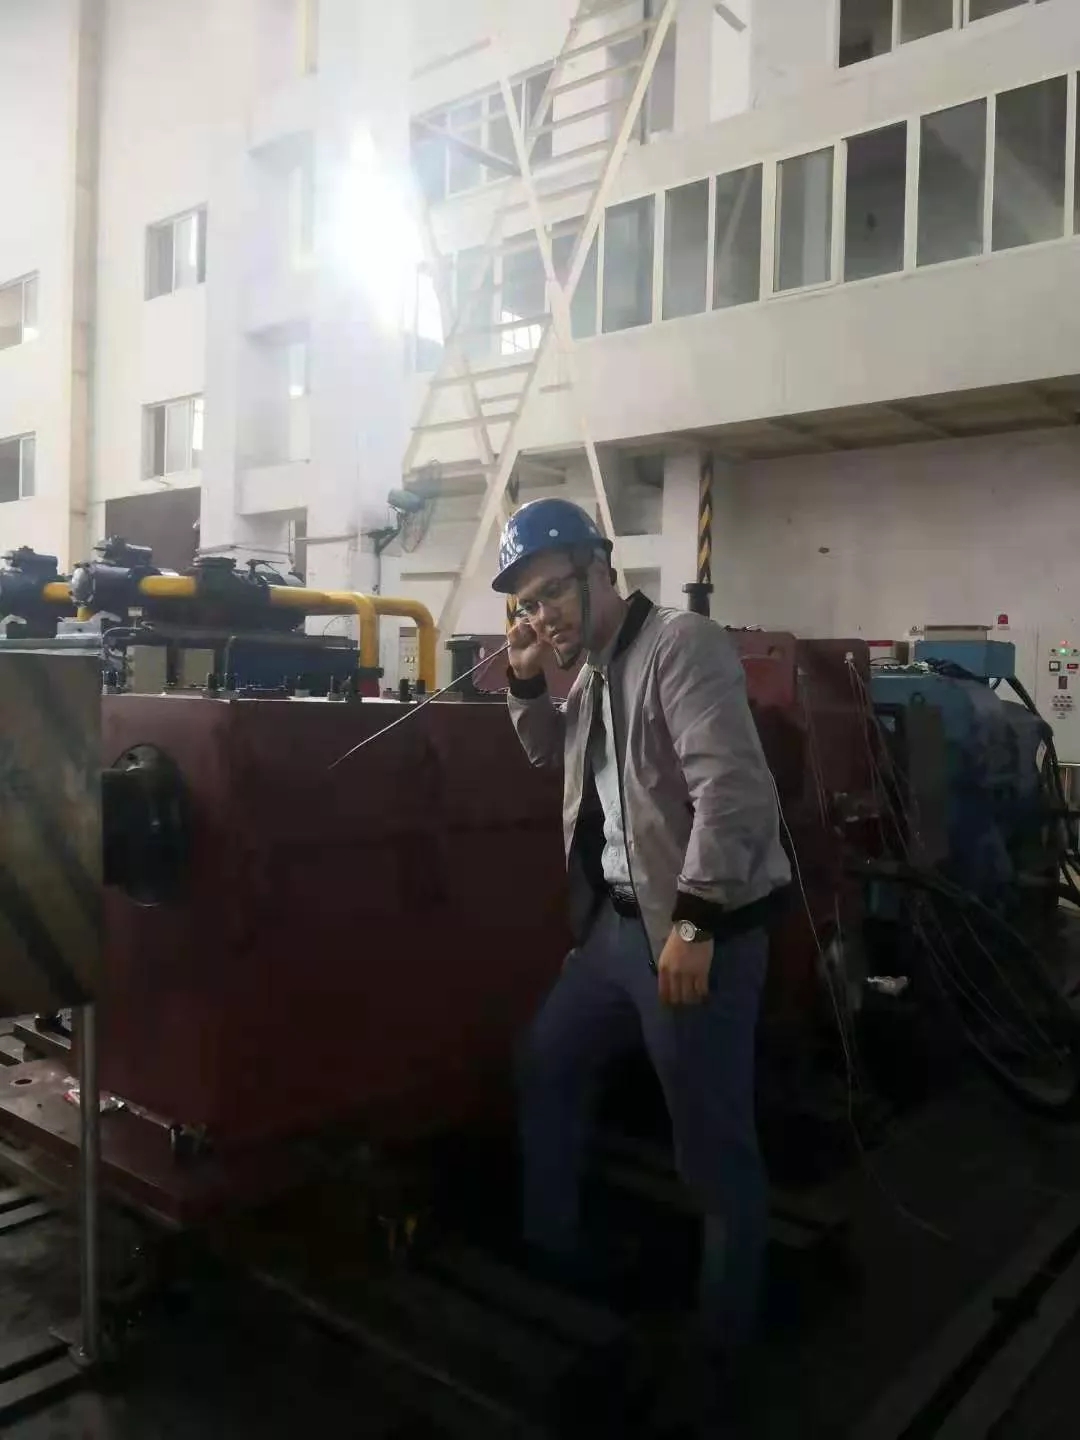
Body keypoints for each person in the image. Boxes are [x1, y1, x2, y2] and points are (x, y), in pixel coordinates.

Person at [496, 497, 791, 1370]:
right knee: (545, 1062)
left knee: (711, 1144)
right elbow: (548, 755)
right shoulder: (591, 673)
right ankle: (555, 1249)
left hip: (697, 933)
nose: (542, 616)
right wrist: (525, 681)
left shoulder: (680, 646)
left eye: (553, 593)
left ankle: (725, 1343)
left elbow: (732, 792)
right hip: (616, 934)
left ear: (600, 571)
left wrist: (695, 923)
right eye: (527, 605)